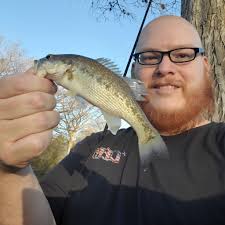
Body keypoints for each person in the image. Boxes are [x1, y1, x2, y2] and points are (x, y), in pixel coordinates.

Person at [0, 15, 224, 225]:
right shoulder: (90, 148)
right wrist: (10, 170)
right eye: (149, 57)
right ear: (134, 70)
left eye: (183, 55)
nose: (165, 68)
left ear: (206, 67)